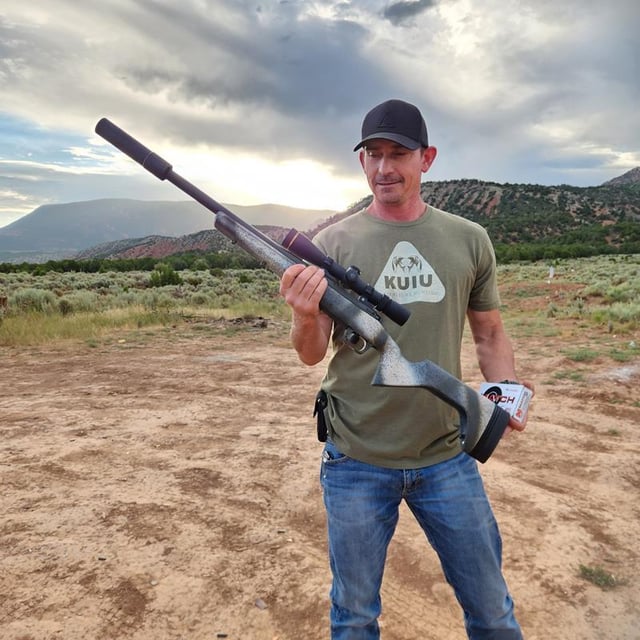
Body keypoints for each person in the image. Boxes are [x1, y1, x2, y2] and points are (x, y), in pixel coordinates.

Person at [279, 98, 533, 640]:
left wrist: (505, 393)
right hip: (355, 458)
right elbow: (311, 353)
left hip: (447, 457)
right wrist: (303, 313)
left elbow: (490, 334)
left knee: (492, 612)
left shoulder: (469, 239)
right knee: (354, 617)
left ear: (427, 158)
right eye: (372, 154)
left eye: (398, 153)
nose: (384, 167)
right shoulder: (331, 245)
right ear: (361, 161)